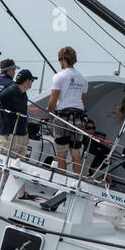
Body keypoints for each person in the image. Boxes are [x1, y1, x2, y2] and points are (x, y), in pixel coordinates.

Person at [0, 70, 39, 198]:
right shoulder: (11, 90)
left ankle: (22, 194)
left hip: (21, 133)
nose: (32, 82)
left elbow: (20, 107)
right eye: (32, 80)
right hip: (9, 133)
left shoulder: (23, 93)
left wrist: (32, 111)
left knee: (20, 165)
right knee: (3, 163)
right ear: (27, 81)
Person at [47, 46, 89, 175]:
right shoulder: (83, 79)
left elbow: (52, 101)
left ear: (63, 59)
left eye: (59, 60)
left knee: (62, 152)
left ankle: (62, 181)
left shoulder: (59, 77)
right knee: (76, 152)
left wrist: (49, 112)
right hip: (78, 118)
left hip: (62, 117)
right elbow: (83, 101)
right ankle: (76, 181)